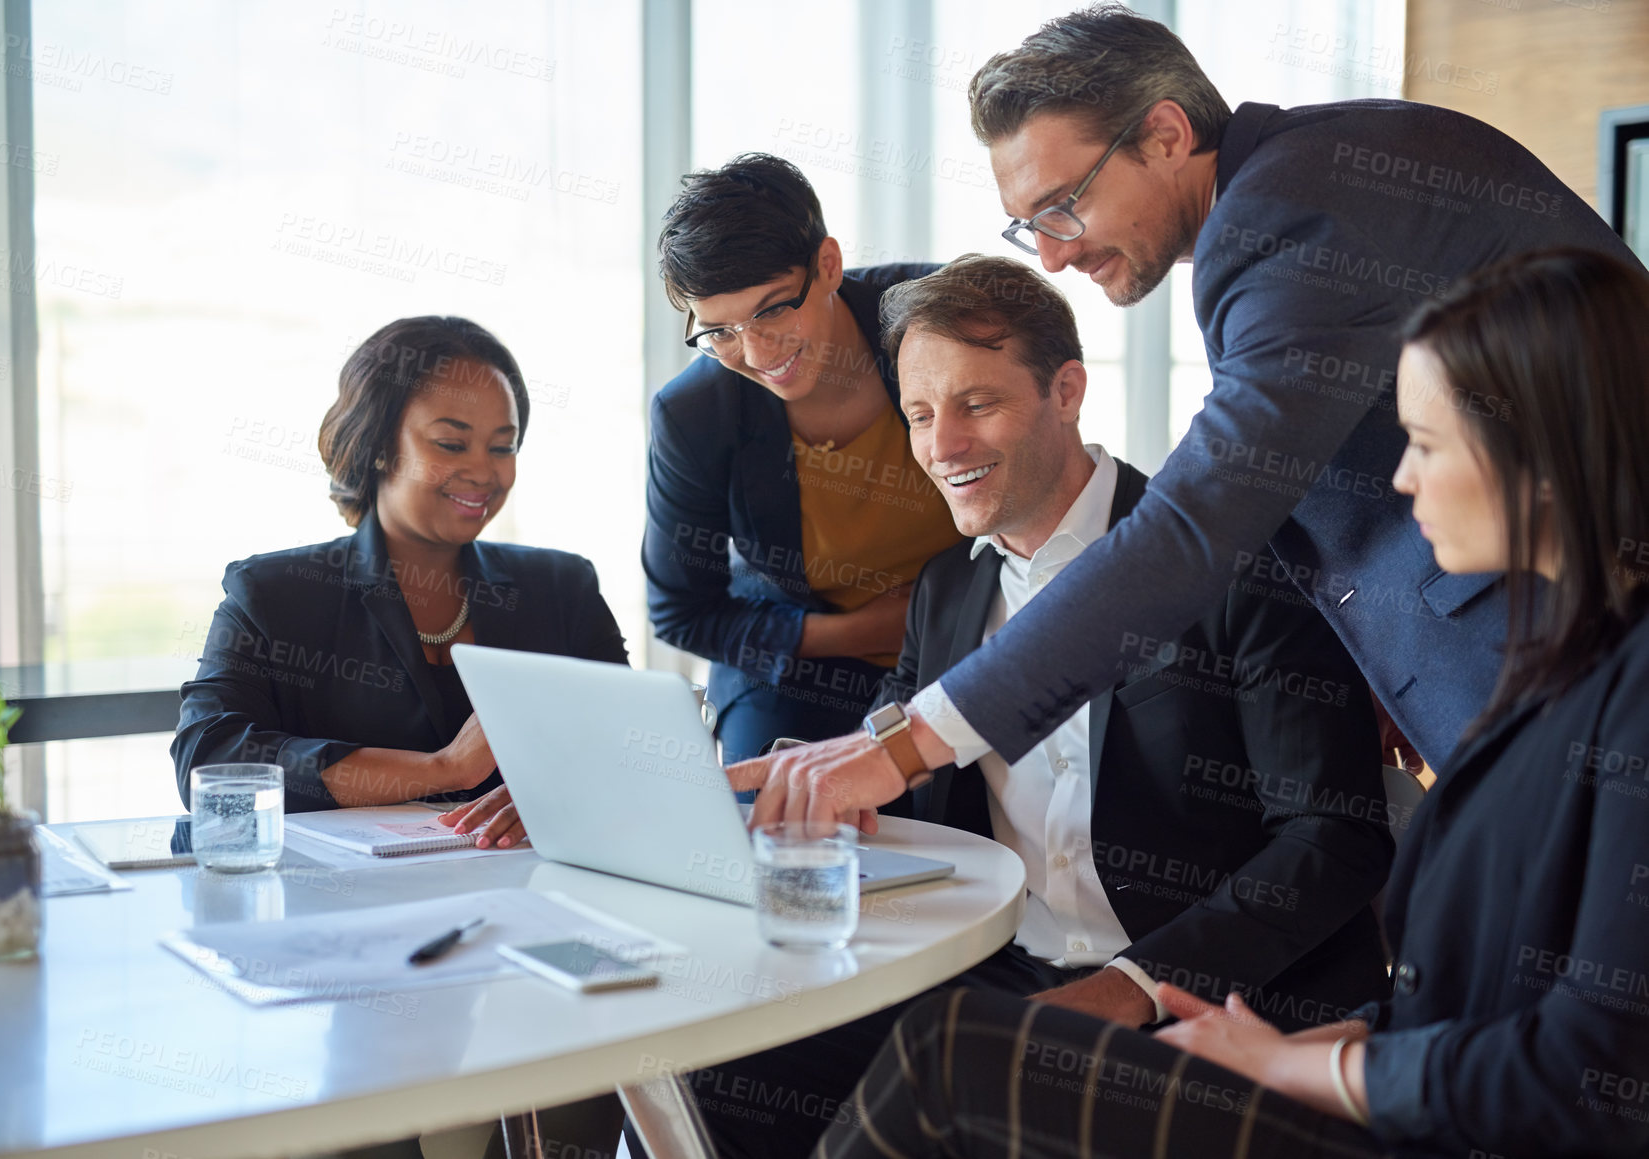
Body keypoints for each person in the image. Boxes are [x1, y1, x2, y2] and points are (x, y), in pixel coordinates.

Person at [729, 2, 1645, 833]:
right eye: (1027, 225)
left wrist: (906, 742)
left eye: (1062, 205)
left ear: (1164, 134)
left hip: (1584, 630)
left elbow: (1201, 520)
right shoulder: (1299, 182)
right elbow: (1315, 467)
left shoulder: (1288, 217)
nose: (1050, 255)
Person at [815, 247, 1649, 1159]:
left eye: (1427, 443)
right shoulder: (1542, 669)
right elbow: (1457, 1002)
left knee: (949, 1060)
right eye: (921, 414)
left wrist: (1289, 1059)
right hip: (1349, 1064)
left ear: (1543, 452)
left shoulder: (1611, 694)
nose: (1401, 481)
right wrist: (1304, 1052)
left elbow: (1579, 1065)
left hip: (1378, 1098)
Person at [685, 255, 1395, 1159]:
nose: (941, 446)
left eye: (976, 404)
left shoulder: (1230, 565)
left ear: (1067, 390)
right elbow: (887, 760)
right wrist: (730, 793)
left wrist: (1127, 986)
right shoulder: (946, 590)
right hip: (1001, 982)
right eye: (918, 414)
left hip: (1212, 1004)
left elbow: (1332, 840)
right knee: (726, 1062)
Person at [172, 315, 628, 846]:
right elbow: (209, 760)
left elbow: (633, 750)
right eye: (452, 445)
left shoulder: (562, 588)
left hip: (532, 892)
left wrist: (565, 795)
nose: (484, 471)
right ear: (380, 447)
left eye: (502, 447)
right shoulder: (275, 592)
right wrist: (444, 768)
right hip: (340, 909)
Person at [642, 153, 963, 762]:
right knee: (772, 827)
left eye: (772, 309)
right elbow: (683, 612)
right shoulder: (694, 413)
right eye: (719, 331)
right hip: (799, 664)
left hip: (970, 642)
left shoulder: (941, 320)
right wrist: (864, 631)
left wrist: (936, 621)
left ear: (828, 265)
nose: (757, 351)